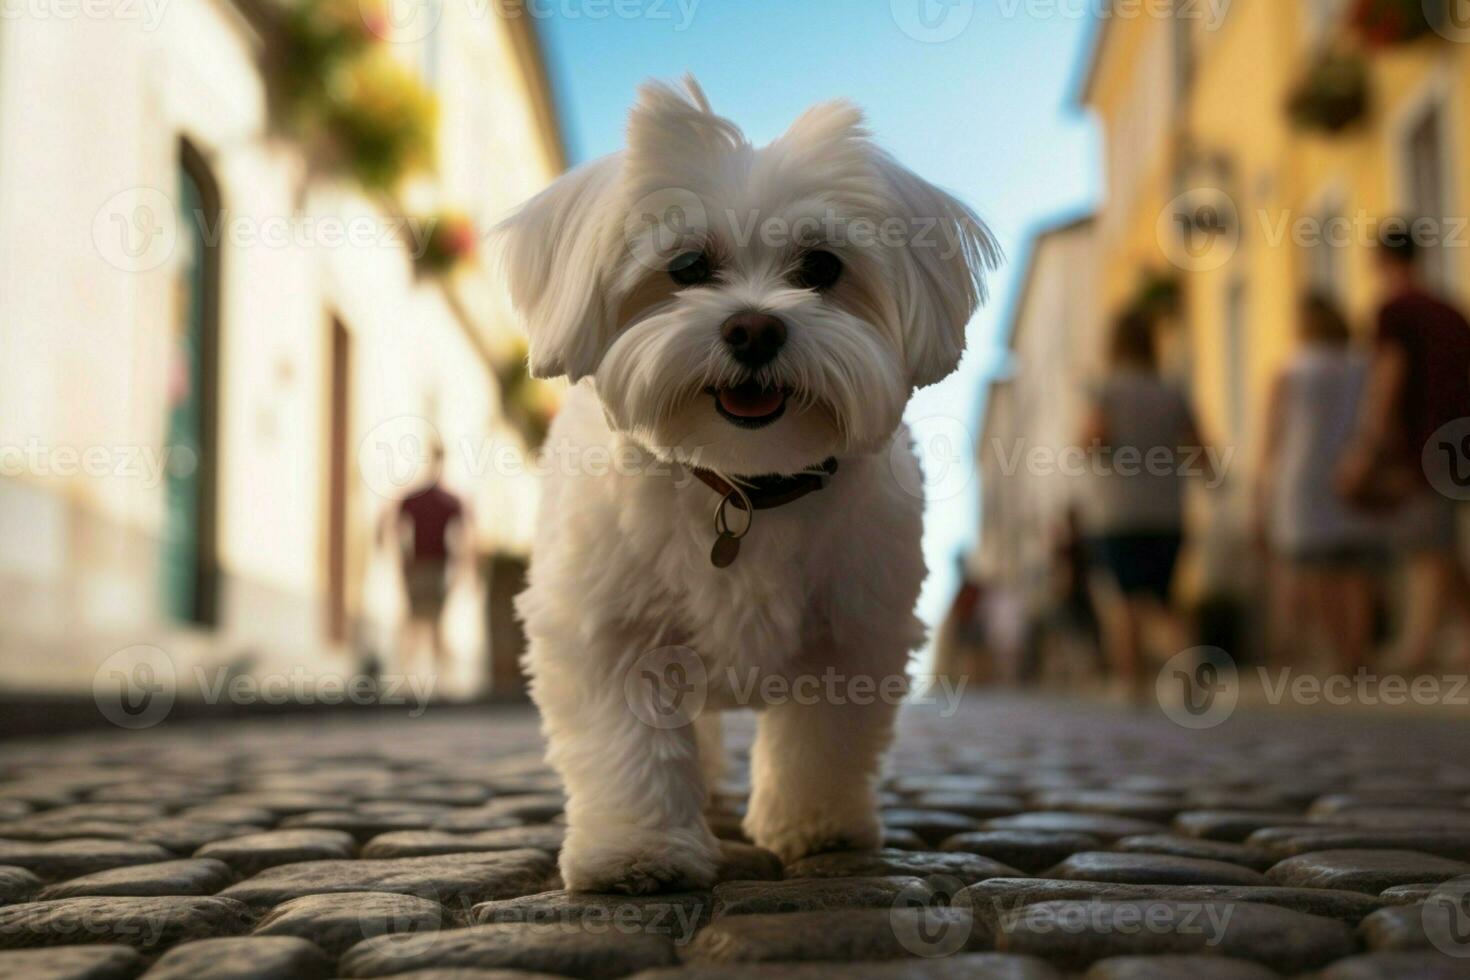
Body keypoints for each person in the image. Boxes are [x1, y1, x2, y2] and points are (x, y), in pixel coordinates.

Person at [1338, 223, 1470, 671]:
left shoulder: (1395, 311)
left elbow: (1387, 380)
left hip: (1423, 444)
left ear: (1380, 259)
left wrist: (1367, 446)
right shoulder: (1450, 310)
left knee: (1426, 547)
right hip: (1460, 439)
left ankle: (1418, 649)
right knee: (1441, 543)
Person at [1080, 310, 1213, 701]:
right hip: (1167, 511)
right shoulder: (1173, 391)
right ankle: (1182, 663)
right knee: (1162, 597)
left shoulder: (1106, 390)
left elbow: (1090, 441)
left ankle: (1133, 683)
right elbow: (1201, 450)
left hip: (1118, 512)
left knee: (1125, 601)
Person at [1257, 295, 1380, 674]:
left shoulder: (1292, 370)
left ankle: (1336, 653)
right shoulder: (1362, 366)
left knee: (1316, 570)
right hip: (1353, 470)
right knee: (1354, 568)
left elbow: (1272, 436)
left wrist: (1260, 491)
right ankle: (1358, 653)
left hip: (1303, 478)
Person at [380, 441, 470, 670]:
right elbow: (394, 528)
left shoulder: (446, 501)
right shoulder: (420, 498)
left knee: (432, 624)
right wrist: (401, 560)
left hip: (434, 568)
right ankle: (407, 675)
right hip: (420, 567)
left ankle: (437, 678)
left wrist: (460, 569)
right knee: (418, 623)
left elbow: (463, 540)